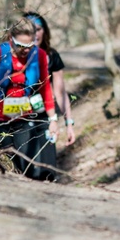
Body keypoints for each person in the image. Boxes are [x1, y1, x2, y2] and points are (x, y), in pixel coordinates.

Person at [0, 17, 59, 181]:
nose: (25, 50)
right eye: (21, 46)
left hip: (24, 116)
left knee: (24, 160)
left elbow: (45, 87)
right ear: (11, 39)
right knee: (6, 158)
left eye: (29, 45)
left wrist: (53, 118)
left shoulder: (39, 55)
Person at [23, 12, 76, 145]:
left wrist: (68, 123)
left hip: (45, 118)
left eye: (38, 29)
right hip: (17, 119)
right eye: (30, 30)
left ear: (45, 31)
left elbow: (60, 93)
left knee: (46, 164)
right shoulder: (12, 56)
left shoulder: (52, 56)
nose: (35, 34)